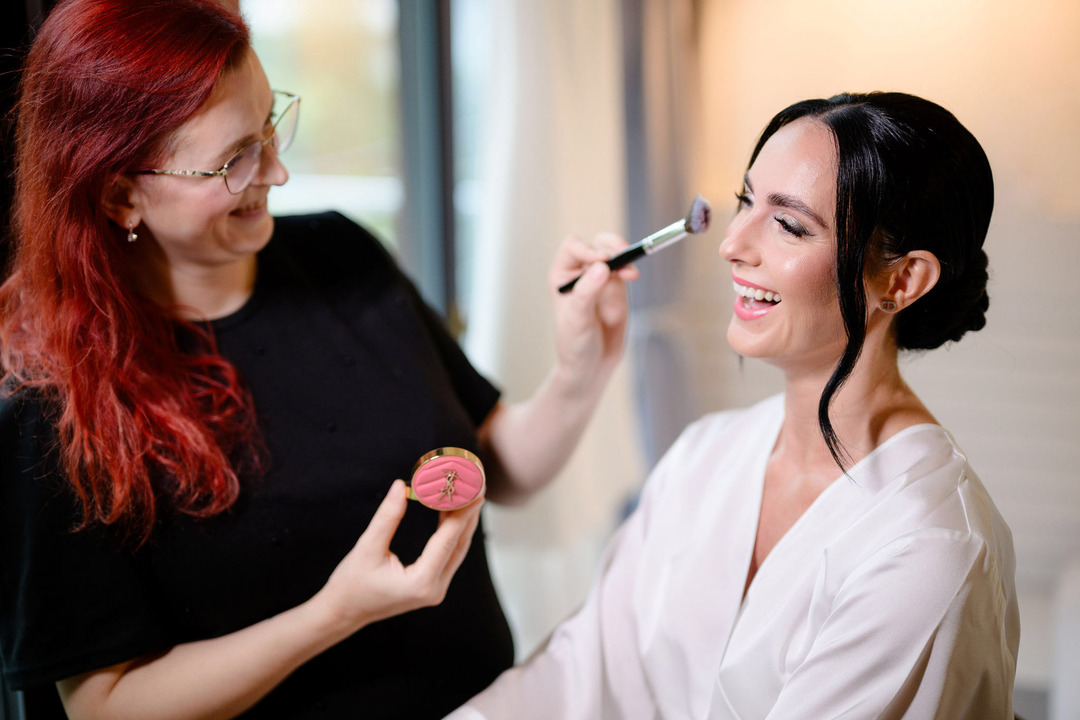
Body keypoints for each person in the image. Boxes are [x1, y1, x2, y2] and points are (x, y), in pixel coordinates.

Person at [0, 0, 638, 718]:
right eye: (235, 159)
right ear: (121, 195)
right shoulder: (53, 393)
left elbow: (500, 467)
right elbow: (104, 704)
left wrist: (584, 367)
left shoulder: (343, 254)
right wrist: (334, 614)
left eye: (272, 123)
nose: (277, 170)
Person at [448, 92, 1019, 719]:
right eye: (746, 202)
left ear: (901, 279)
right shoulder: (704, 456)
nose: (732, 244)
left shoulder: (929, 547)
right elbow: (580, 673)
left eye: (790, 225)